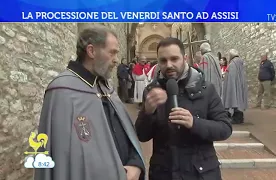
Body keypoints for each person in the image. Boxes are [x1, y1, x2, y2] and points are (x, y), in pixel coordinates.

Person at [34, 25, 145, 180]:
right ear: (91, 51)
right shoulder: (62, 91)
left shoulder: (106, 87)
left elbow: (126, 134)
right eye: (112, 52)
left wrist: (135, 163)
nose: (116, 60)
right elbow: (65, 157)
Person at [135, 37, 232, 180]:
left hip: (200, 173)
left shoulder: (206, 89)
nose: (169, 65)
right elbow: (142, 135)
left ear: (185, 58)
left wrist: (194, 122)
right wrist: (147, 112)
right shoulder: (152, 91)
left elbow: (225, 128)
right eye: (163, 60)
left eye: (174, 59)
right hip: (164, 173)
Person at [222, 49, 248, 124]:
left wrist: (229, 87)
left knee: (236, 99)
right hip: (240, 84)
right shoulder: (240, 62)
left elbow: (231, 78)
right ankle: (239, 116)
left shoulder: (233, 64)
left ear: (231, 55)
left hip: (234, 86)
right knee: (239, 99)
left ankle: (237, 118)